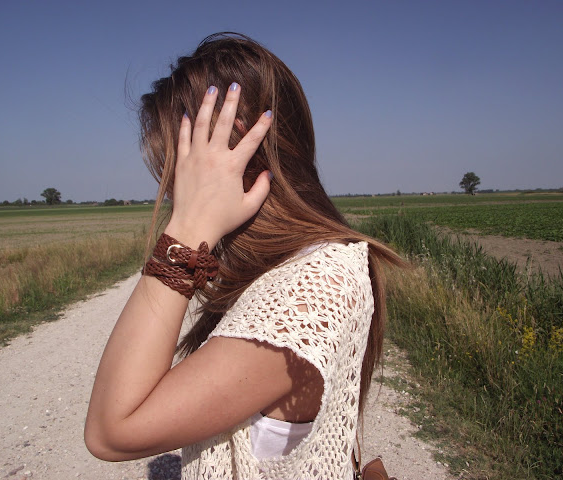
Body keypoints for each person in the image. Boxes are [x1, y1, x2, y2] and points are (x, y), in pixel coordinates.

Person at [84, 32, 403, 479]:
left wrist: (188, 229)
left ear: (234, 149)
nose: (175, 190)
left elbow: (111, 431)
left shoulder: (315, 283)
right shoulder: (300, 264)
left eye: (182, 169)